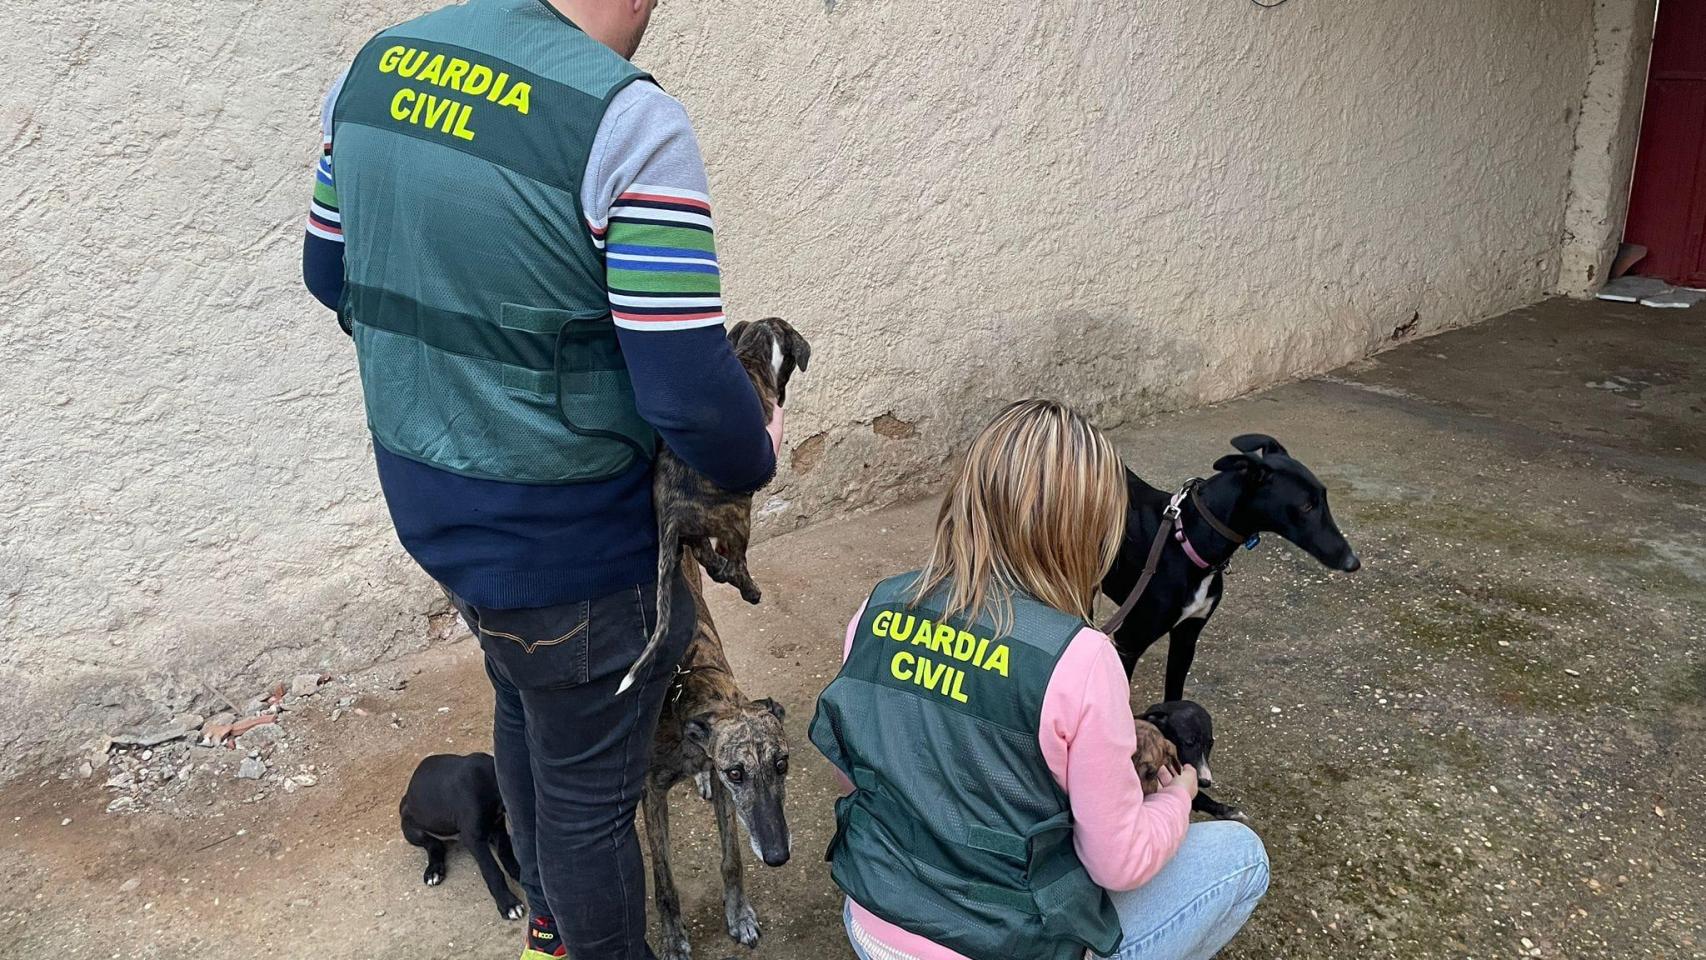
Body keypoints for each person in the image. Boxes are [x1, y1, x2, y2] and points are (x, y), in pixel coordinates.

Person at [300, 1, 779, 957]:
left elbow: (329, 273)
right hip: (575, 547)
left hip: (435, 510)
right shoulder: (627, 122)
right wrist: (758, 439)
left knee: (528, 693)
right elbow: (688, 392)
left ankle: (549, 935)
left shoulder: (377, 70)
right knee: (592, 800)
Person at [810, 399, 1269, 960]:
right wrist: (1181, 792)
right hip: (1001, 944)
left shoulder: (874, 610)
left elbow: (852, 773)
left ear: (969, 498)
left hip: (876, 923)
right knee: (1243, 857)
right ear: (1090, 527)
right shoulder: (1084, 659)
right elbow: (1119, 862)